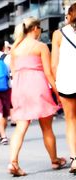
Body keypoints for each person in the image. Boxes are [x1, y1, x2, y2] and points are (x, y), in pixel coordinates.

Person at [8, 17, 66, 176]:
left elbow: (13, 73)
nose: (40, 31)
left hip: (20, 89)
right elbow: (48, 73)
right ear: (35, 29)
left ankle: (13, 162)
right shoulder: (40, 47)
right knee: (47, 128)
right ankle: (55, 160)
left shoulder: (15, 49)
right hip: (37, 87)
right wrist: (57, 93)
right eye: (40, 28)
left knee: (20, 128)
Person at [51, 3, 76, 174]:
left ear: (69, 15)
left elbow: (54, 64)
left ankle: (75, 159)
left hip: (67, 83)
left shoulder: (58, 34)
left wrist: (55, 86)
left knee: (71, 121)